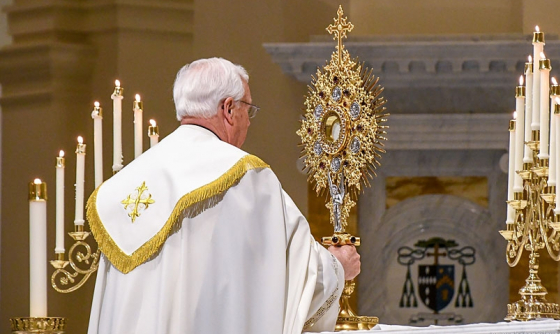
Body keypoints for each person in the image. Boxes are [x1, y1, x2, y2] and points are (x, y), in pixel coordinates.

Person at [86, 57, 360, 334]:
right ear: (228, 108)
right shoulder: (246, 177)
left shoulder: (124, 185)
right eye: (248, 110)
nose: (249, 123)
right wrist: (337, 267)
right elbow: (294, 273)